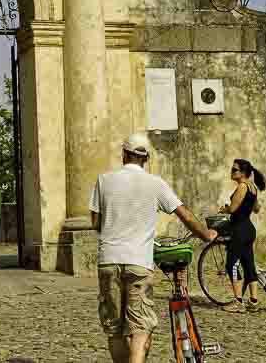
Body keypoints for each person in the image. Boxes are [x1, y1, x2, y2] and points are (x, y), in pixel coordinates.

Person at [90, 133, 219, 363]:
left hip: (108, 260)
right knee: (140, 329)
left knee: (114, 329)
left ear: (124, 154)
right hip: (138, 262)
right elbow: (184, 214)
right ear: (146, 158)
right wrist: (205, 234)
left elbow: (95, 223)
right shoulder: (155, 183)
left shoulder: (104, 180)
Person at [218, 158, 266, 313]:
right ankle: (253, 301)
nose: (231, 172)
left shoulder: (242, 186)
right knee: (248, 264)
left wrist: (224, 209)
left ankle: (238, 301)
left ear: (243, 173)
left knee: (231, 264)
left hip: (239, 230)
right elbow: (257, 208)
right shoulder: (252, 188)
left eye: (234, 170)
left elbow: (233, 209)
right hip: (248, 229)